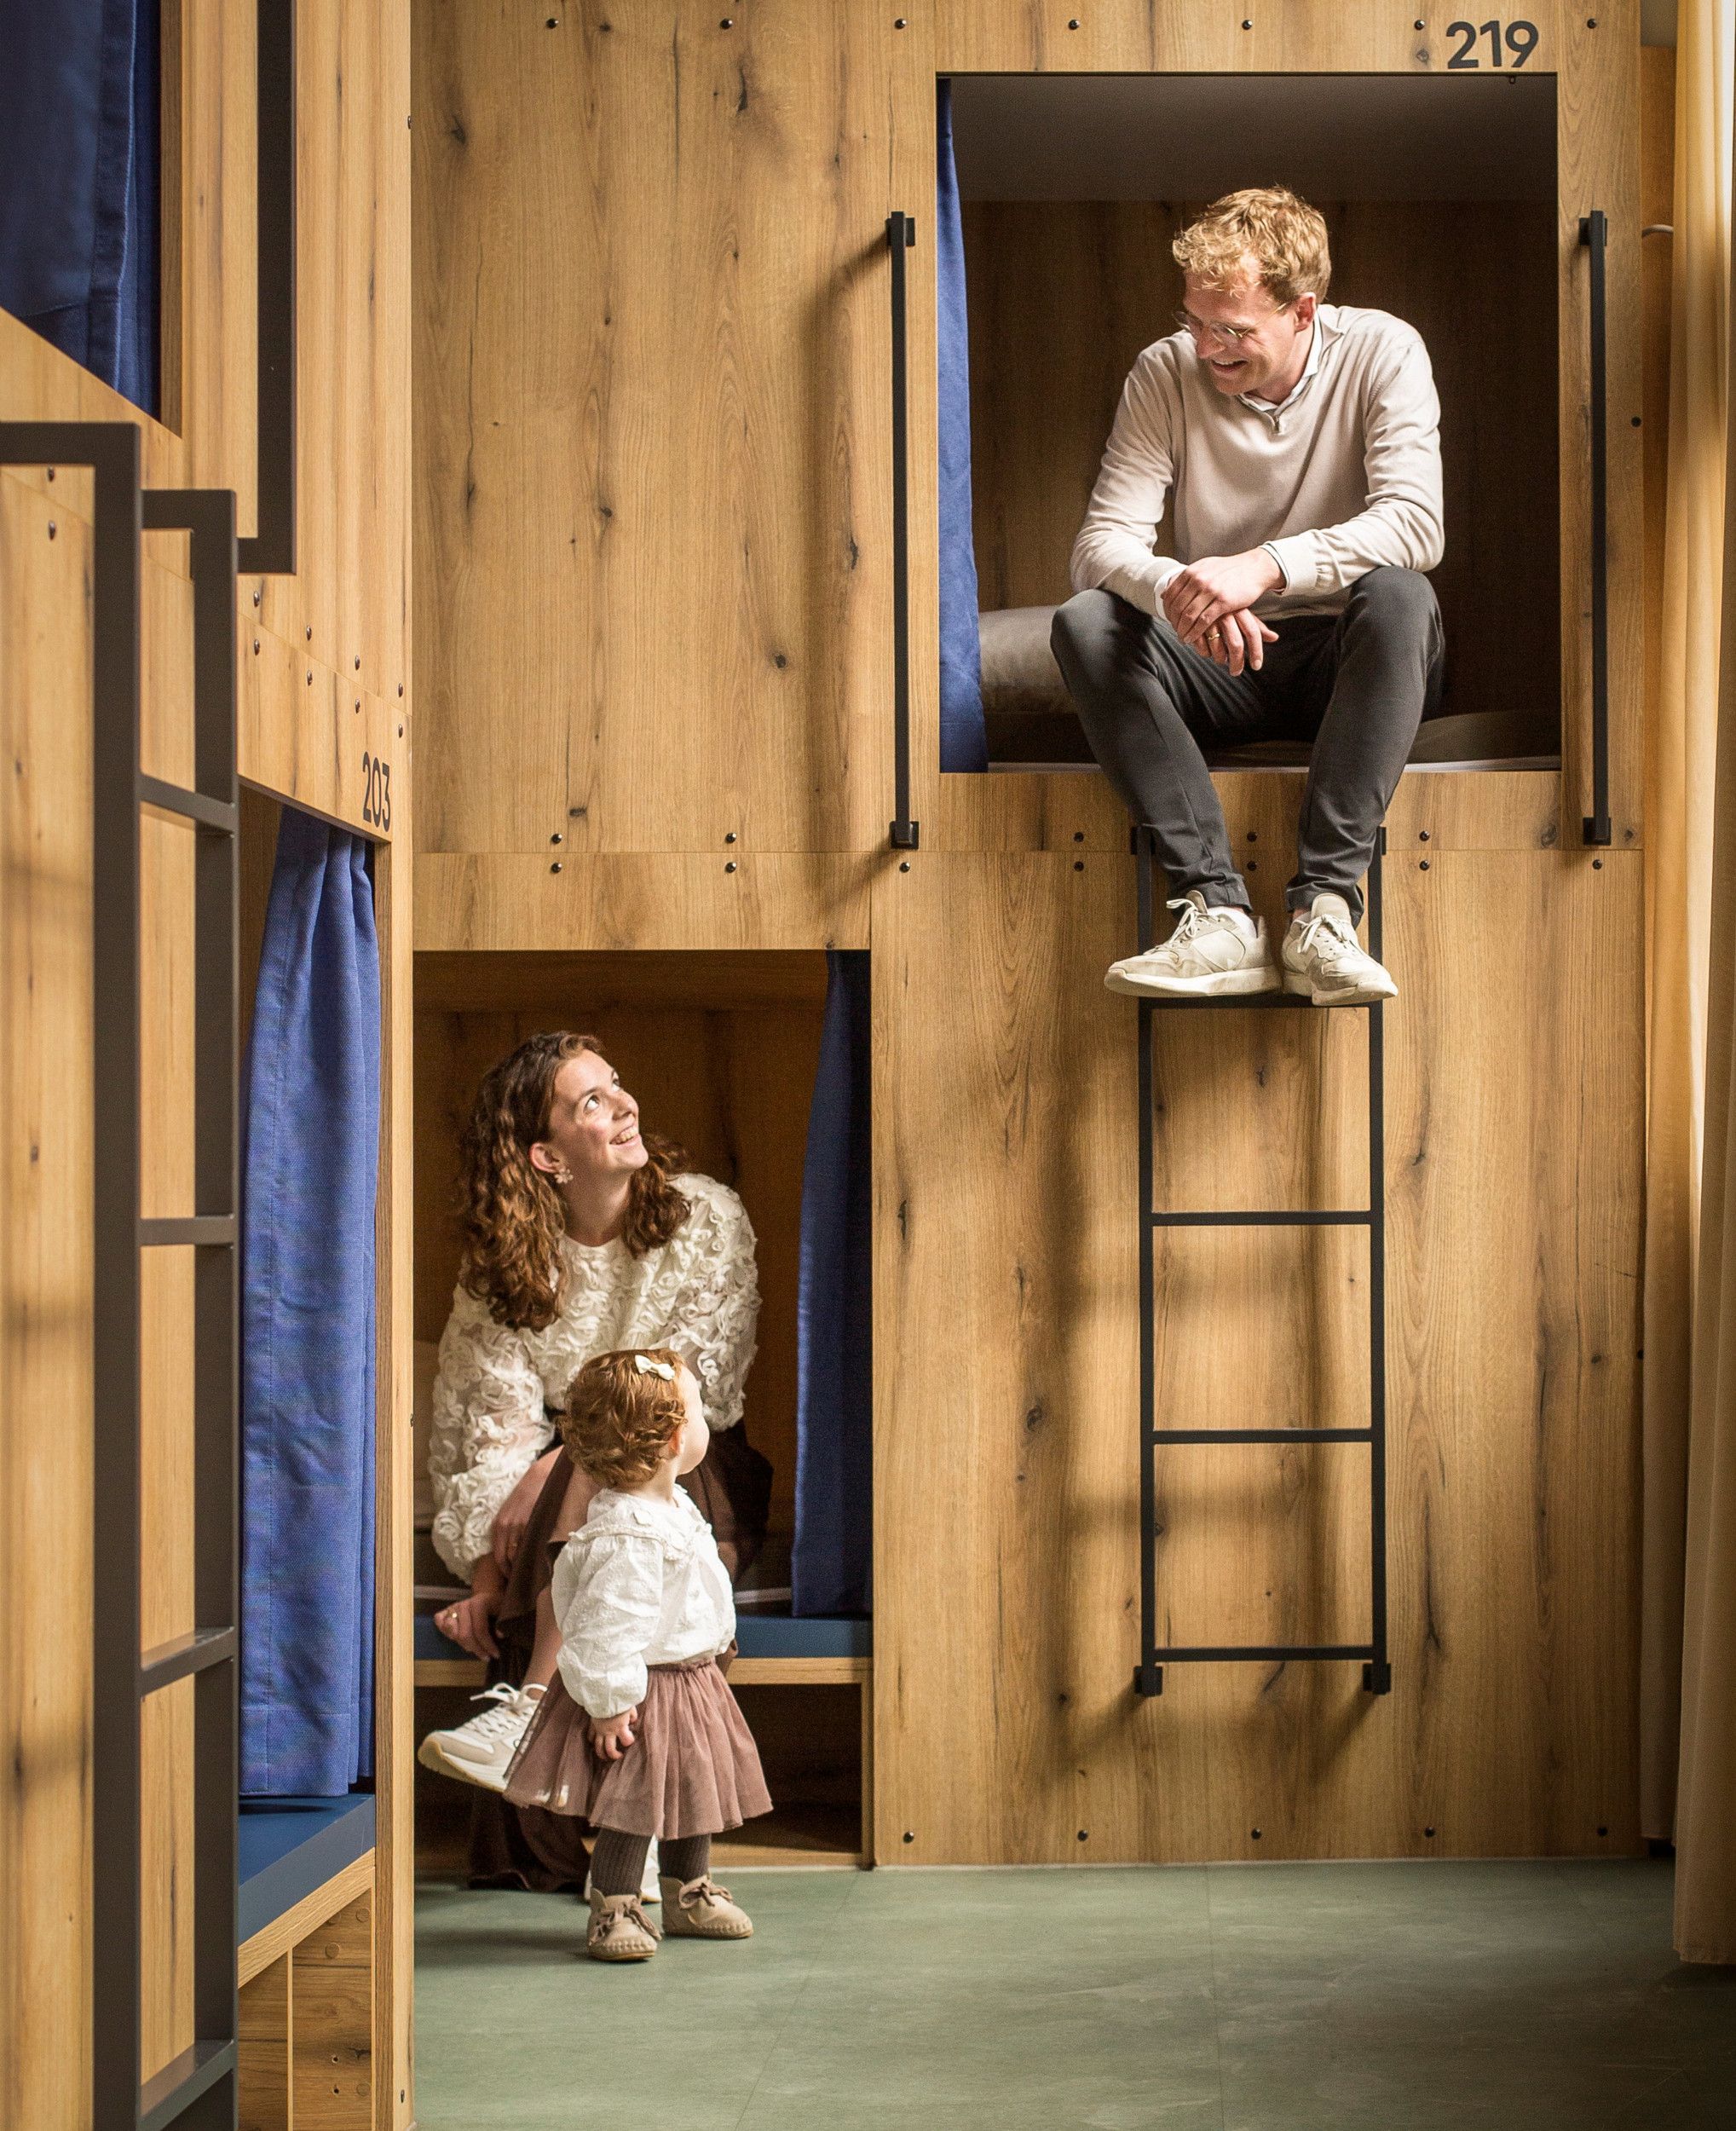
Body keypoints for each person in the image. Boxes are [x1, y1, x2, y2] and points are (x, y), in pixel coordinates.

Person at [1050, 186, 1445, 1006]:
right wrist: (1183, 587)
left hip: (1350, 657)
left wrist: (1263, 566)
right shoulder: (1165, 370)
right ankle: (1216, 911)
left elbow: (1415, 524)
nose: (1206, 348)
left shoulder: (1384, 351)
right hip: (1217, 655)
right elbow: (1100, 545)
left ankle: (1325, 913)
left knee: (1402, 594)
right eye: (1195, 322)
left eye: (1232, 330)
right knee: (1084, 621)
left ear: (1303, 311)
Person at [417, 1031, 770, 1897]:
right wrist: (487, 1562)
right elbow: (484, 1423)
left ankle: (529, 1710)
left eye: (618, 1086)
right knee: (580, 1484)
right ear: (546, 1155)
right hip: (560, 1505)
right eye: (592, 1102)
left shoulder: (705, 1216)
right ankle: (630, 1824)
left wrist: (561, 1457)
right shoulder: (502, 1266)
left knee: (615, 1448)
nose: (625, 1106)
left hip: (696, 1466)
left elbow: (684, 1387)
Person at [503, 1348, 770, 1962]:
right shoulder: (624, 1531)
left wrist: (716, 1639)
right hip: (643, 1687)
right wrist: (611, 1703)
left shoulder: (671, 1507)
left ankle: (687, 1890)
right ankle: (617, 1902)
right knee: (638, 1799)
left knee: (692, 1788)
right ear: (678, 1438)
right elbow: (602, 1627)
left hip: (691, 1677)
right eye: (700, 1414)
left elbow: (697, 1582)